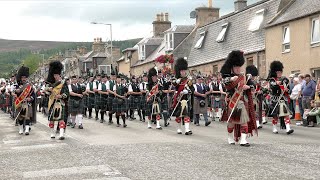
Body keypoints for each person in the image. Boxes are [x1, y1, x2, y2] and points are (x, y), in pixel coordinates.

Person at [220, 50, 257, 146]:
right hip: (232, 101)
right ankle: (229, 137)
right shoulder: (228, 76)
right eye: (236, 67)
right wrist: (232, 79)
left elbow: (254, 86)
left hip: (242, 101)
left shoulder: (244, 77)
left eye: (239, 67)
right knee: (231, 122)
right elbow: (225, 83)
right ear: (232, 67)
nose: (238, 68)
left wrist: (248, 87)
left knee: (244, 120)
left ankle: (243, 140)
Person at [268, 61, 294, 134]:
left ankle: (288, 128)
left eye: (280, 72)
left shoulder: (285, 79)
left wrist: (287, 89)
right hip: (275, 99)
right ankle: (274, 127)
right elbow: (273, 88)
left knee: (286, 114)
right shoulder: (272, 80)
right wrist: (277, 84)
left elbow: (288, 89)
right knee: (275, 115)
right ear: (275, 72)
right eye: (278, 72)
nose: (279, 73)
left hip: (283, 98)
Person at [46, 61, 69, 140]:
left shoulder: (63, 83)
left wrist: (61, 96)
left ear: (60, 75)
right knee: (52, 119)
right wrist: (48, 90)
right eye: (54, 75)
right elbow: (46, 92)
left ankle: (61, 134)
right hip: (52, 102)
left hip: (61, 103)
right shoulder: (50, 84)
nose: (56, 76)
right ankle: (52, 133)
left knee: (61, 119)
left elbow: (67, 93)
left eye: (57, 75)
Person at [171, 58, 193, 135]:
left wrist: (187, 91)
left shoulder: (189, 80)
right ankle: (179, 128)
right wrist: (177, 82)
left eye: (184, 71)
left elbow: (192, 89)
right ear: (179, 71)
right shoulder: (176, 80)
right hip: (178, 99)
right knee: (178, 115)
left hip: (186, 99)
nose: (183, 72)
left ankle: (187, 129)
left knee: (186, 114)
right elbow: (173, 85)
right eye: (182, 71)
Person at [14, 66, 37, 135]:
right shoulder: (17, 86)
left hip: (28, 103)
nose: (24, 79)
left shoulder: (30, 86)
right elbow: (14, 93)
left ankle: (27, 129)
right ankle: (21, 129)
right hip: (20, 103)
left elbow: (33, 95)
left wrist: (30, 98)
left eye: (25, 77)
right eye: (22, 77)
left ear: (26, 78)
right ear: (20, 78)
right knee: (20, 117)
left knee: (27, 116)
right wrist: (16, 92)